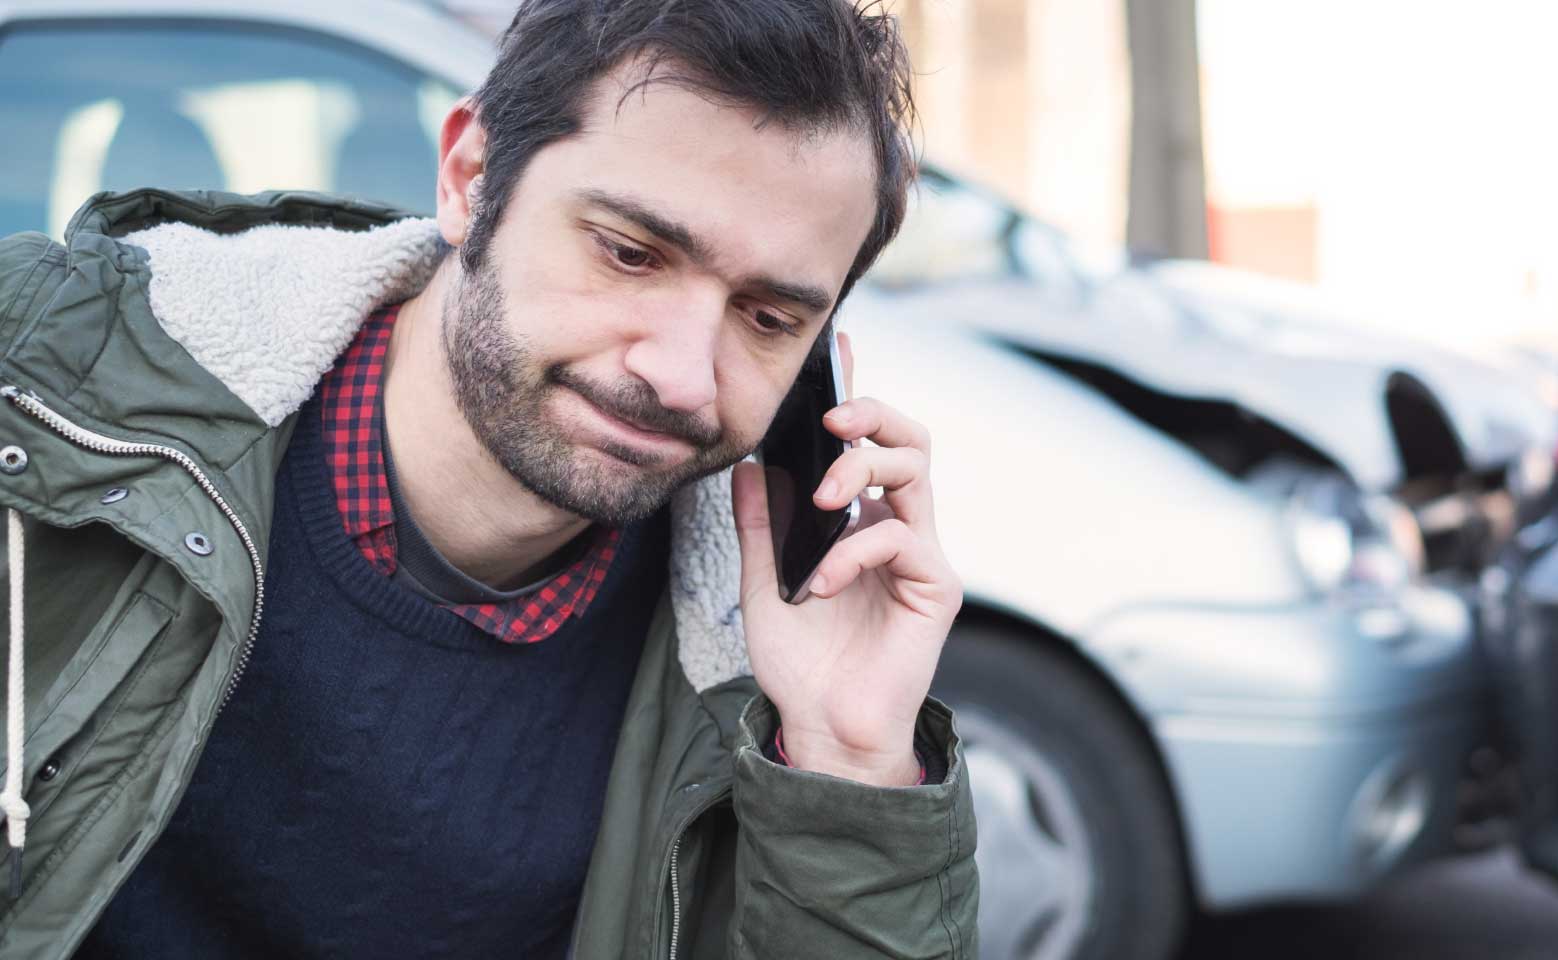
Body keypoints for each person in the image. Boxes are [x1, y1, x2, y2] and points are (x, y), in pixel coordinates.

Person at [0, 0, 979, 956]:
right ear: (469, 177)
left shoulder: (758, 670)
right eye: (631, 254)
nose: (681, 375)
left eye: (767, 319)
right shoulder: (42, 391)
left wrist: (849, 777)